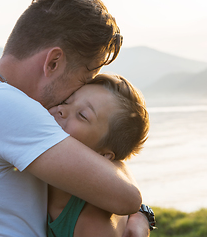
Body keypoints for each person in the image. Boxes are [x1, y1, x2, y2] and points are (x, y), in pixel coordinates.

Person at [0, 0, 150, 236]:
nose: (74, 94)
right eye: (83, 79)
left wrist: (138, 210)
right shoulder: (6, 106)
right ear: (53, 62)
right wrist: (141, 212)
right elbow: (126, 197)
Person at [46, 73, 154, 237]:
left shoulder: (92, 222)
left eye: (82, 115)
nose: (62, 109)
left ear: (104, 156)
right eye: (66, 100)